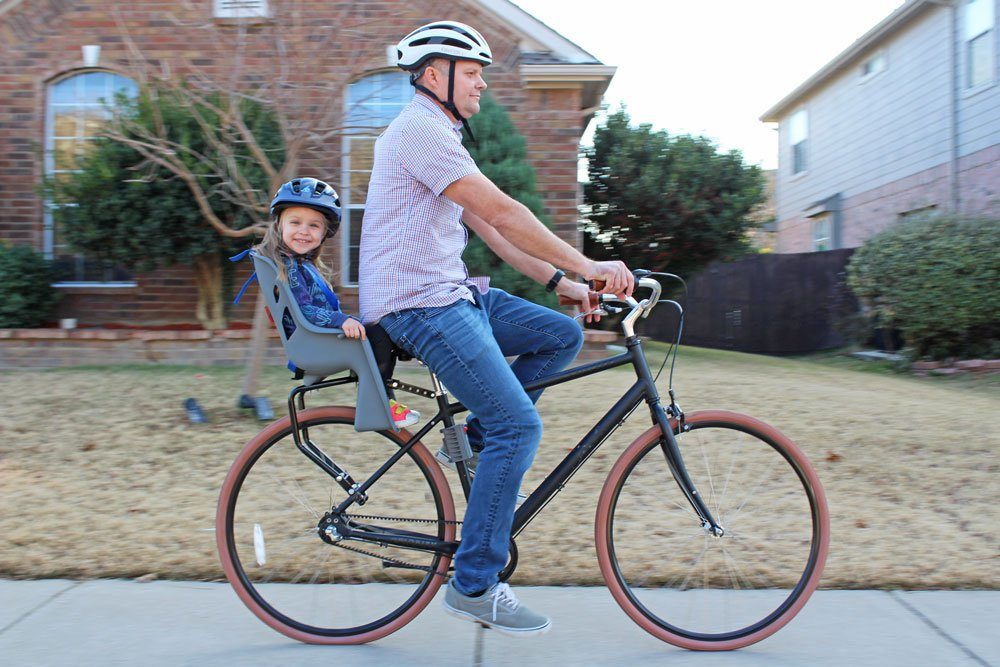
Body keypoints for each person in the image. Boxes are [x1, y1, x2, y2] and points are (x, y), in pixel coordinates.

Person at [359, 21, 634, 636]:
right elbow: (505, 210)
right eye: (473, 71)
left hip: (449, 293)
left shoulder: (442, 134)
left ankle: (484, 438)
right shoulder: (418, 132)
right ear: (435, 75)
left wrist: (562, 284)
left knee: (559, 335)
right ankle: (475, 583)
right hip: (418, 305)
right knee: (521, 426)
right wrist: (589, 264)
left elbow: (494, 229)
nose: (483, 82)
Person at [257, 177, 420, 428]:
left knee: (379, 329)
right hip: (312, 342)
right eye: (295, 222)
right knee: (376, 334)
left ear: (324, 234)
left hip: (315, 339)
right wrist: (341, 320)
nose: (304, 230)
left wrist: (346, 320)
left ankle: (391, 380)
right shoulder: (287, 266)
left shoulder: (302, 265)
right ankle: (381, 403)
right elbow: (305, 311)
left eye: (314, 225)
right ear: (279, 225)